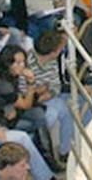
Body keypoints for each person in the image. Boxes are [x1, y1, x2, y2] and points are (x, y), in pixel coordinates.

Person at [27, 31, 72, 166]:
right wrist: (39, 92)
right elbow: (25, 90)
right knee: (50, 115)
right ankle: (44, 157)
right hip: (31, 102)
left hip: (46, 98)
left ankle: (65, 151)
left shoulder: (52, 62)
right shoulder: (27, 60)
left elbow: (55, 85)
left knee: (64, 110)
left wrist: (46, 93)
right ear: (54, 52)